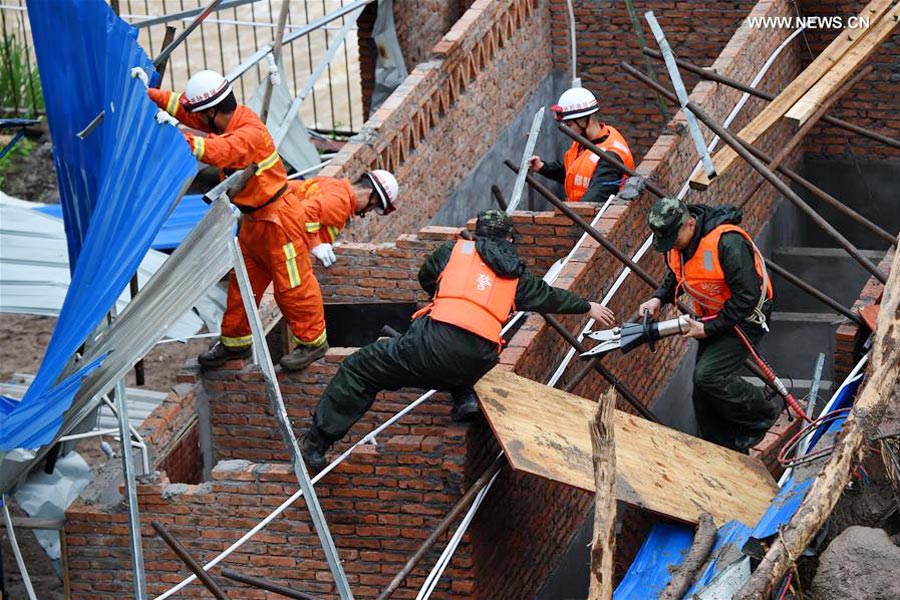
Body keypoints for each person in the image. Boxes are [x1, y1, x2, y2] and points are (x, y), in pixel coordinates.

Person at [299, 209, 616, 470]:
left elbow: (425, 276)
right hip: (478, 360)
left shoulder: (452, 252)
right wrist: (588, 307)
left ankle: (316, 443)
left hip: (431, 346)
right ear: (509, 239)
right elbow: (550, 298)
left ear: (477, 235)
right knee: (454, 357)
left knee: (360, 368)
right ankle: (464, 398)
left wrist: (445, 292)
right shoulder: (518, 277)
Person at [136, 68, 400, 371]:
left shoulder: (247, 133)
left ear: (212, 110)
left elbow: (218, 151)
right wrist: (149, 95)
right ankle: (235, 343)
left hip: (277, 223)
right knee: (243, 286)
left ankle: (313, 343)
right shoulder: (231, 120)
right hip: (257, 223)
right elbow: (188, 112)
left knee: (293, 289)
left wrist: (174, 135)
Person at [638, 197, 780, 452]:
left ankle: (764, 413)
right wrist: (658, 298)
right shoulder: (676, 244)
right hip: (714, 317)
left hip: (747, 317)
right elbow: (676, 273)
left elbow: (746, 298)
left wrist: (709, 329)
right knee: (702, 394)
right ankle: (723, 450)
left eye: (673, 239)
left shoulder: (727, 242)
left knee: (709, 376)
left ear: (690, 224)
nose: (672, 246)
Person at [529, 86, 635, 202]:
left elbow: (594, 200)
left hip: (593, 218)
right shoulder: (582, 143)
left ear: (584, 121)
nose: (567, 131)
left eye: (569, 125)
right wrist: (543, 167)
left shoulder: (610, 157)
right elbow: (571, 171)